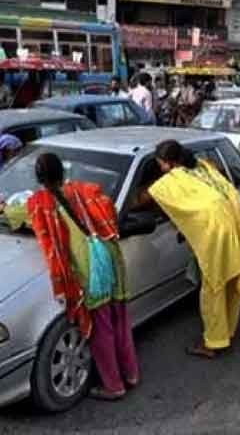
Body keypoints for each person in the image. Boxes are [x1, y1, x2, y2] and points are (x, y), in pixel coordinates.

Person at [0, 154, 139, 400]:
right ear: (63, 173)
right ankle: (131, 374)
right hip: (110, 256)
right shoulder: (82, 190)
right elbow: (106, 207)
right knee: (120, 319)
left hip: (90, 268)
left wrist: (3, 207)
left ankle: (113, 386)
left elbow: (12, 215)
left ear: (38, 178)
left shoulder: (40, 203)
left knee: (101, 329)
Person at [144, 140, 240, 358]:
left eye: (160, 164)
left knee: (213, 287)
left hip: (217, 235)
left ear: (170, 163)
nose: (160, 168)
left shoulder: (174, 179)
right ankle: (226, 332)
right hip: (236, 226)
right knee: (230, 284)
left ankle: (213, 343)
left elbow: (147, 195)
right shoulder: (202, 166)